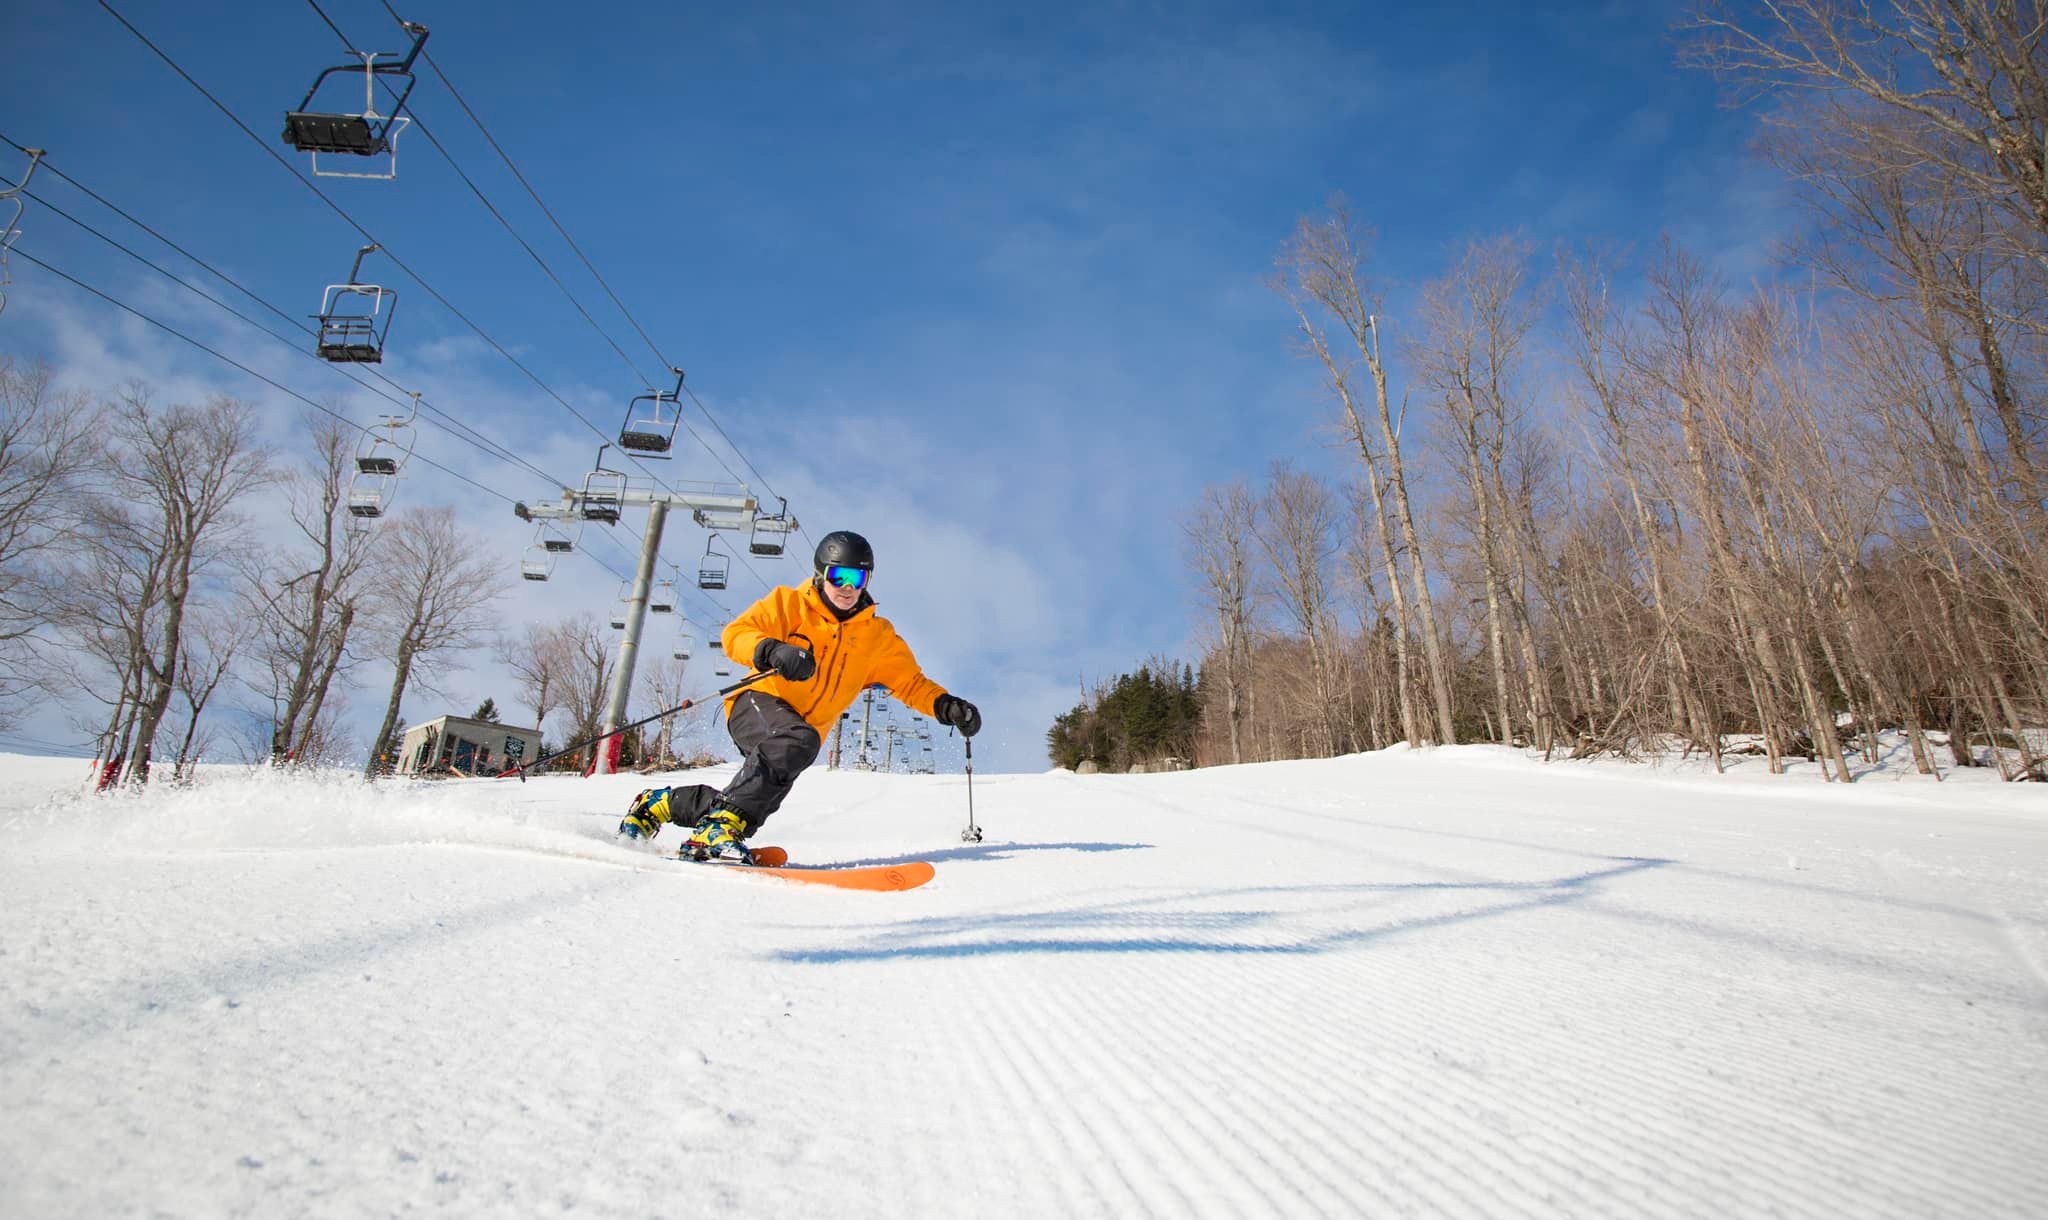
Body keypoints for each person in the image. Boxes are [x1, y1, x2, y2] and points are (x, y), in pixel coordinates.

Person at [618, 529, 982, 860]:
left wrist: (946, 706)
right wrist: (771, 650)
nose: (847, 586)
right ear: (821, 575)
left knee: (750, 799)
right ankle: (714, 833)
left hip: (799, 739)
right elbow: (737, 633)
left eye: (858, 577)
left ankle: (660, 806)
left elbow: (909, 682)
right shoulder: (790, 605)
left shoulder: (877, 637)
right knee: (791, 746)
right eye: (838, 576)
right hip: (757, 703)